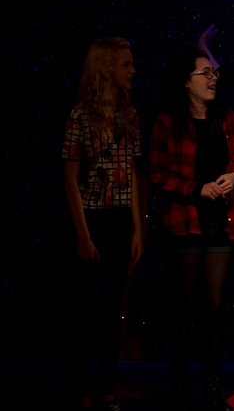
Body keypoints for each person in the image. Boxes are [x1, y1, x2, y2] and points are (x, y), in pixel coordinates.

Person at [150, 49, 234, 411]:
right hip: (186, 225)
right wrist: (195, 188)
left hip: (221, 223)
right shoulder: (168, 121)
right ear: (185, 82)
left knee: (214, 309)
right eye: (205, 73)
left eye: (214, 73)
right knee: (185, 310)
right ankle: (180, 388)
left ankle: (211, 387)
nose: (213, 78)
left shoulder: (227, 117)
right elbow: (157, 173)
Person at [63, 37, 143, 411]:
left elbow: (131, 173)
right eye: (125, 64)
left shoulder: (129, 115)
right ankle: (81, 389)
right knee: (82, 311)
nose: (132, 71)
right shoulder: (81, 116)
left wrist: (137, 228)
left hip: (118, 220)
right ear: (106, 69)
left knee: (113, 311)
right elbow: (70, 177)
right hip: (89, 218)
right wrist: (82, 234)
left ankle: (108, 390)